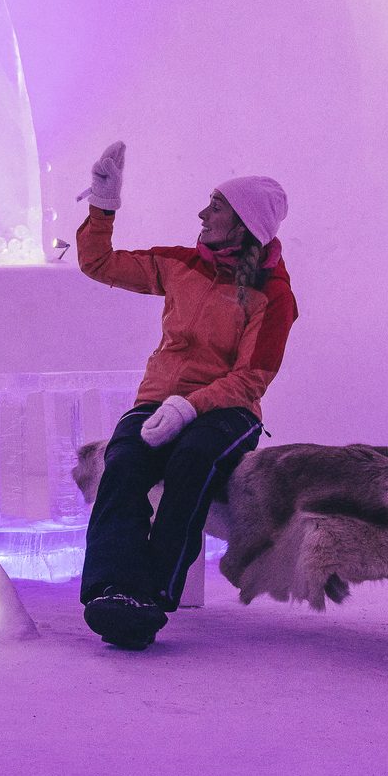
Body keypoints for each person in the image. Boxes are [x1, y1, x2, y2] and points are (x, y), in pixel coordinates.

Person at [74, 141, 297, 650]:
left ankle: (152, 593)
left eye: (215, 206)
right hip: (157, 400)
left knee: (192, 460)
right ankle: (111, 589)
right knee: (123, 461)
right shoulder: (181, 264)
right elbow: (100, 263)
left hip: (227, 413)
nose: (202, 212)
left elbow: (252, 377)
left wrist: (189, 408)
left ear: (243, 224)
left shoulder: (274, 294)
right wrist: (103, 205)